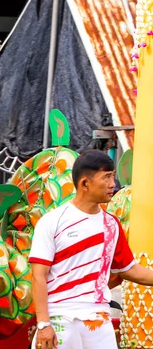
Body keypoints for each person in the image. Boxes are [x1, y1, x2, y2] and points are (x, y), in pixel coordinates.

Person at [29, 150, 153, 349]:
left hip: (99, 318)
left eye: (113, 176)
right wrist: (43, 323)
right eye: (106, 177)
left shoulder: (111, 225)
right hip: (59, 317)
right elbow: (38, 276)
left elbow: (130, 270)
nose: (113, 184)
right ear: (85, 183)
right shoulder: (53, 221)